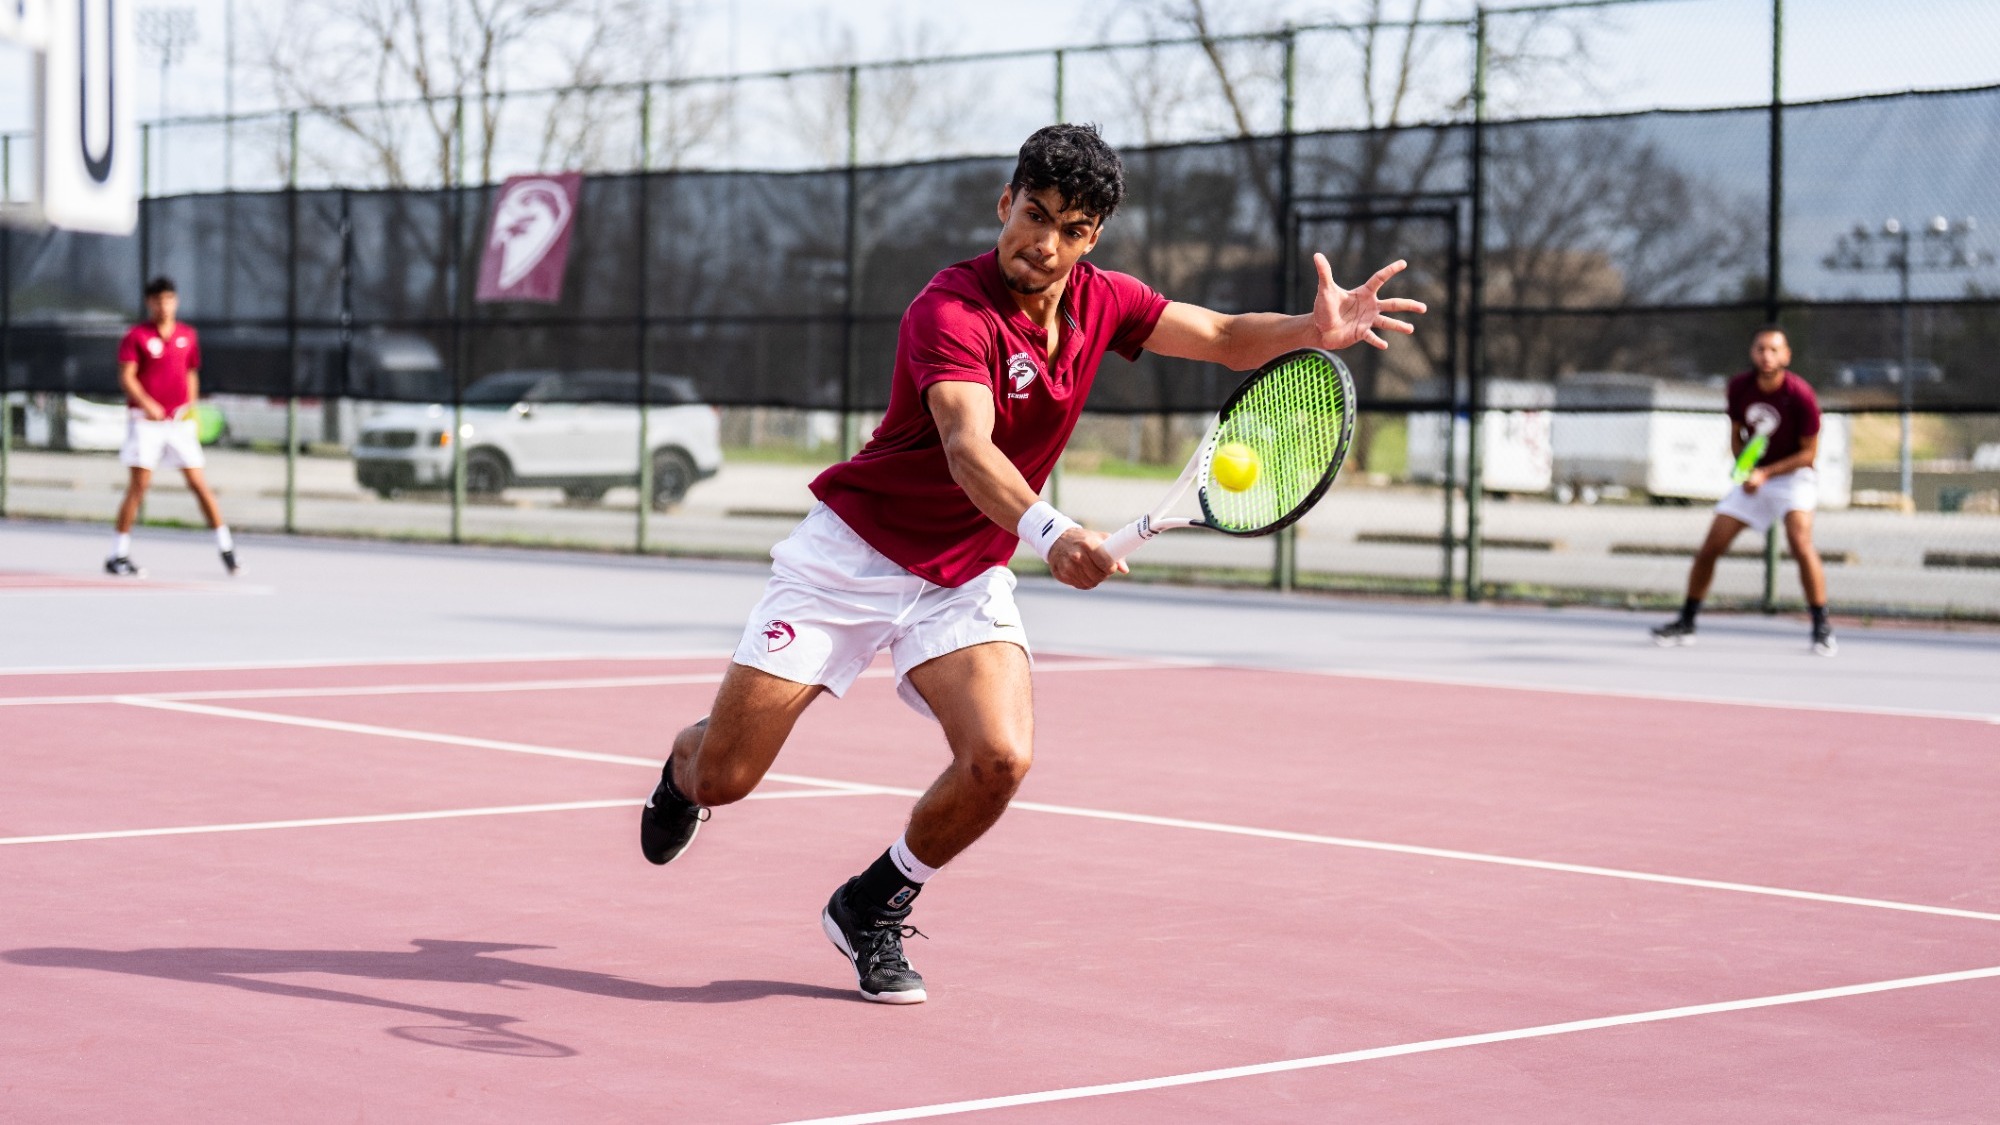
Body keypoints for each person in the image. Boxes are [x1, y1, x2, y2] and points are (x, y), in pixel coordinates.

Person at [638, 124, 1424, 1004]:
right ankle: (682, 770)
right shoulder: (951, 307)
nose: (1043, 241)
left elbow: (1225, 335)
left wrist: (1310, 330)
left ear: (1093, 238)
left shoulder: (1104, 301)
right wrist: (1053, 533)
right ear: (1004, 203)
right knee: (727, 777)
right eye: (1034, 213)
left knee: (1000, 759)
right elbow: (967, 447)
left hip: (962, 576)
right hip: (851, 558)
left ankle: (873, 903)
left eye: (1071, 226)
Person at [1653, 324, 1833, 655]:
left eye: (1774, 350)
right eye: (1761, 349)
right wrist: (1744, 469)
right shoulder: (1739, 387)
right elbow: (1737, 435)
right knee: (1710, 546)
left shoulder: (1801, 395)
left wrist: (1766, 473)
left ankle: (1821, 626)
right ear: (1753, 353)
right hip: (1755, 478)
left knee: (1800, 542)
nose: (1767, 356)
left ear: (1786, 355)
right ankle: (1686, 621)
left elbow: (1809, 454)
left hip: (1793, 478)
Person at [106, 277, 239, 578]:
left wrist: (190, 405)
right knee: (139, 486)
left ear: (175, 301)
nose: (164, 305)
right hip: (146, 423)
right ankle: (118, 554)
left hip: (179, 425)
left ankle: (227, 549)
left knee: (199, 484)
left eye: (169, 299)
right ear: (149, 303)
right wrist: (147, 403)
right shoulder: (136, 336)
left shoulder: (188, 336)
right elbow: (127, 377)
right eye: (158, 300)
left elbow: (191, 373)